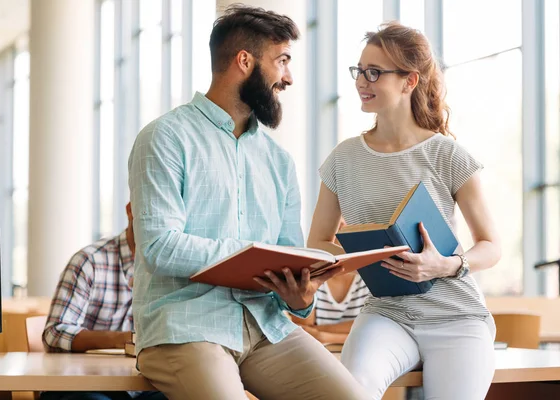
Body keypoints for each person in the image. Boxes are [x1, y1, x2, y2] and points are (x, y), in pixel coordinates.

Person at [128, 5, 368, 400]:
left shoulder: (279, 161)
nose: (288, 77)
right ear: (244, 61)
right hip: (185, 327)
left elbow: (289, 254)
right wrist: (251, 255)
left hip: (266, 327)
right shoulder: (164, 138)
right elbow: (158, 247)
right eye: (282, 61)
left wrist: (301, 295)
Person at [307, 22, 501, 400]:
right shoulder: (342, 160)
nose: (362, 81)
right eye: (359, 71)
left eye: (374, 72)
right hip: (386, 313)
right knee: (347, 393)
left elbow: (491, 245)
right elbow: (317, 241)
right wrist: (359, 257)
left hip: (457, 316)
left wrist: (446, 265)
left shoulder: (447, 155)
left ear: (409, 81)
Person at [41, 203, 166, 400]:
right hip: (84, 385)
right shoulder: (89, 261)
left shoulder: (172, 266)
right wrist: (123, 339)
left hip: (145, 385)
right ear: (130, 209)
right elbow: (55, 333)